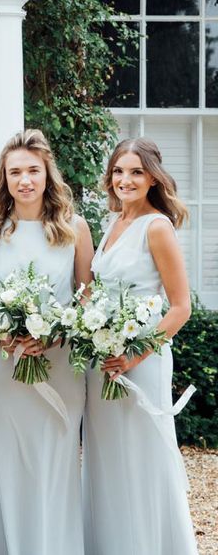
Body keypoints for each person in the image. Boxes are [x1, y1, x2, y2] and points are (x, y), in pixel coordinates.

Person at [0, 129, 94, 555]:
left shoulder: (74, 229)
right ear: (4, 179)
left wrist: (55, 332)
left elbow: (86, 298)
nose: (24, 180)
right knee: (6, 467)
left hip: (58, 367)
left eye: (32, 171)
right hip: (1, 369)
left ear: (47, 174)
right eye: (15, 172)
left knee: (55, 466)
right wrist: (4, 335)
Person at [83, 137, 198, 555]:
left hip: (140, 360)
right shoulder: (113, 225)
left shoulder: (157, 227)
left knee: (141, 457)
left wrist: (135, 353)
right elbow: (95, 292)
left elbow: (180, 307)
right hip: (102, 359)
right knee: (108, 457)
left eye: (135, 172)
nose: (124, 180)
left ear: (152, 177)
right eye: (118, 171)